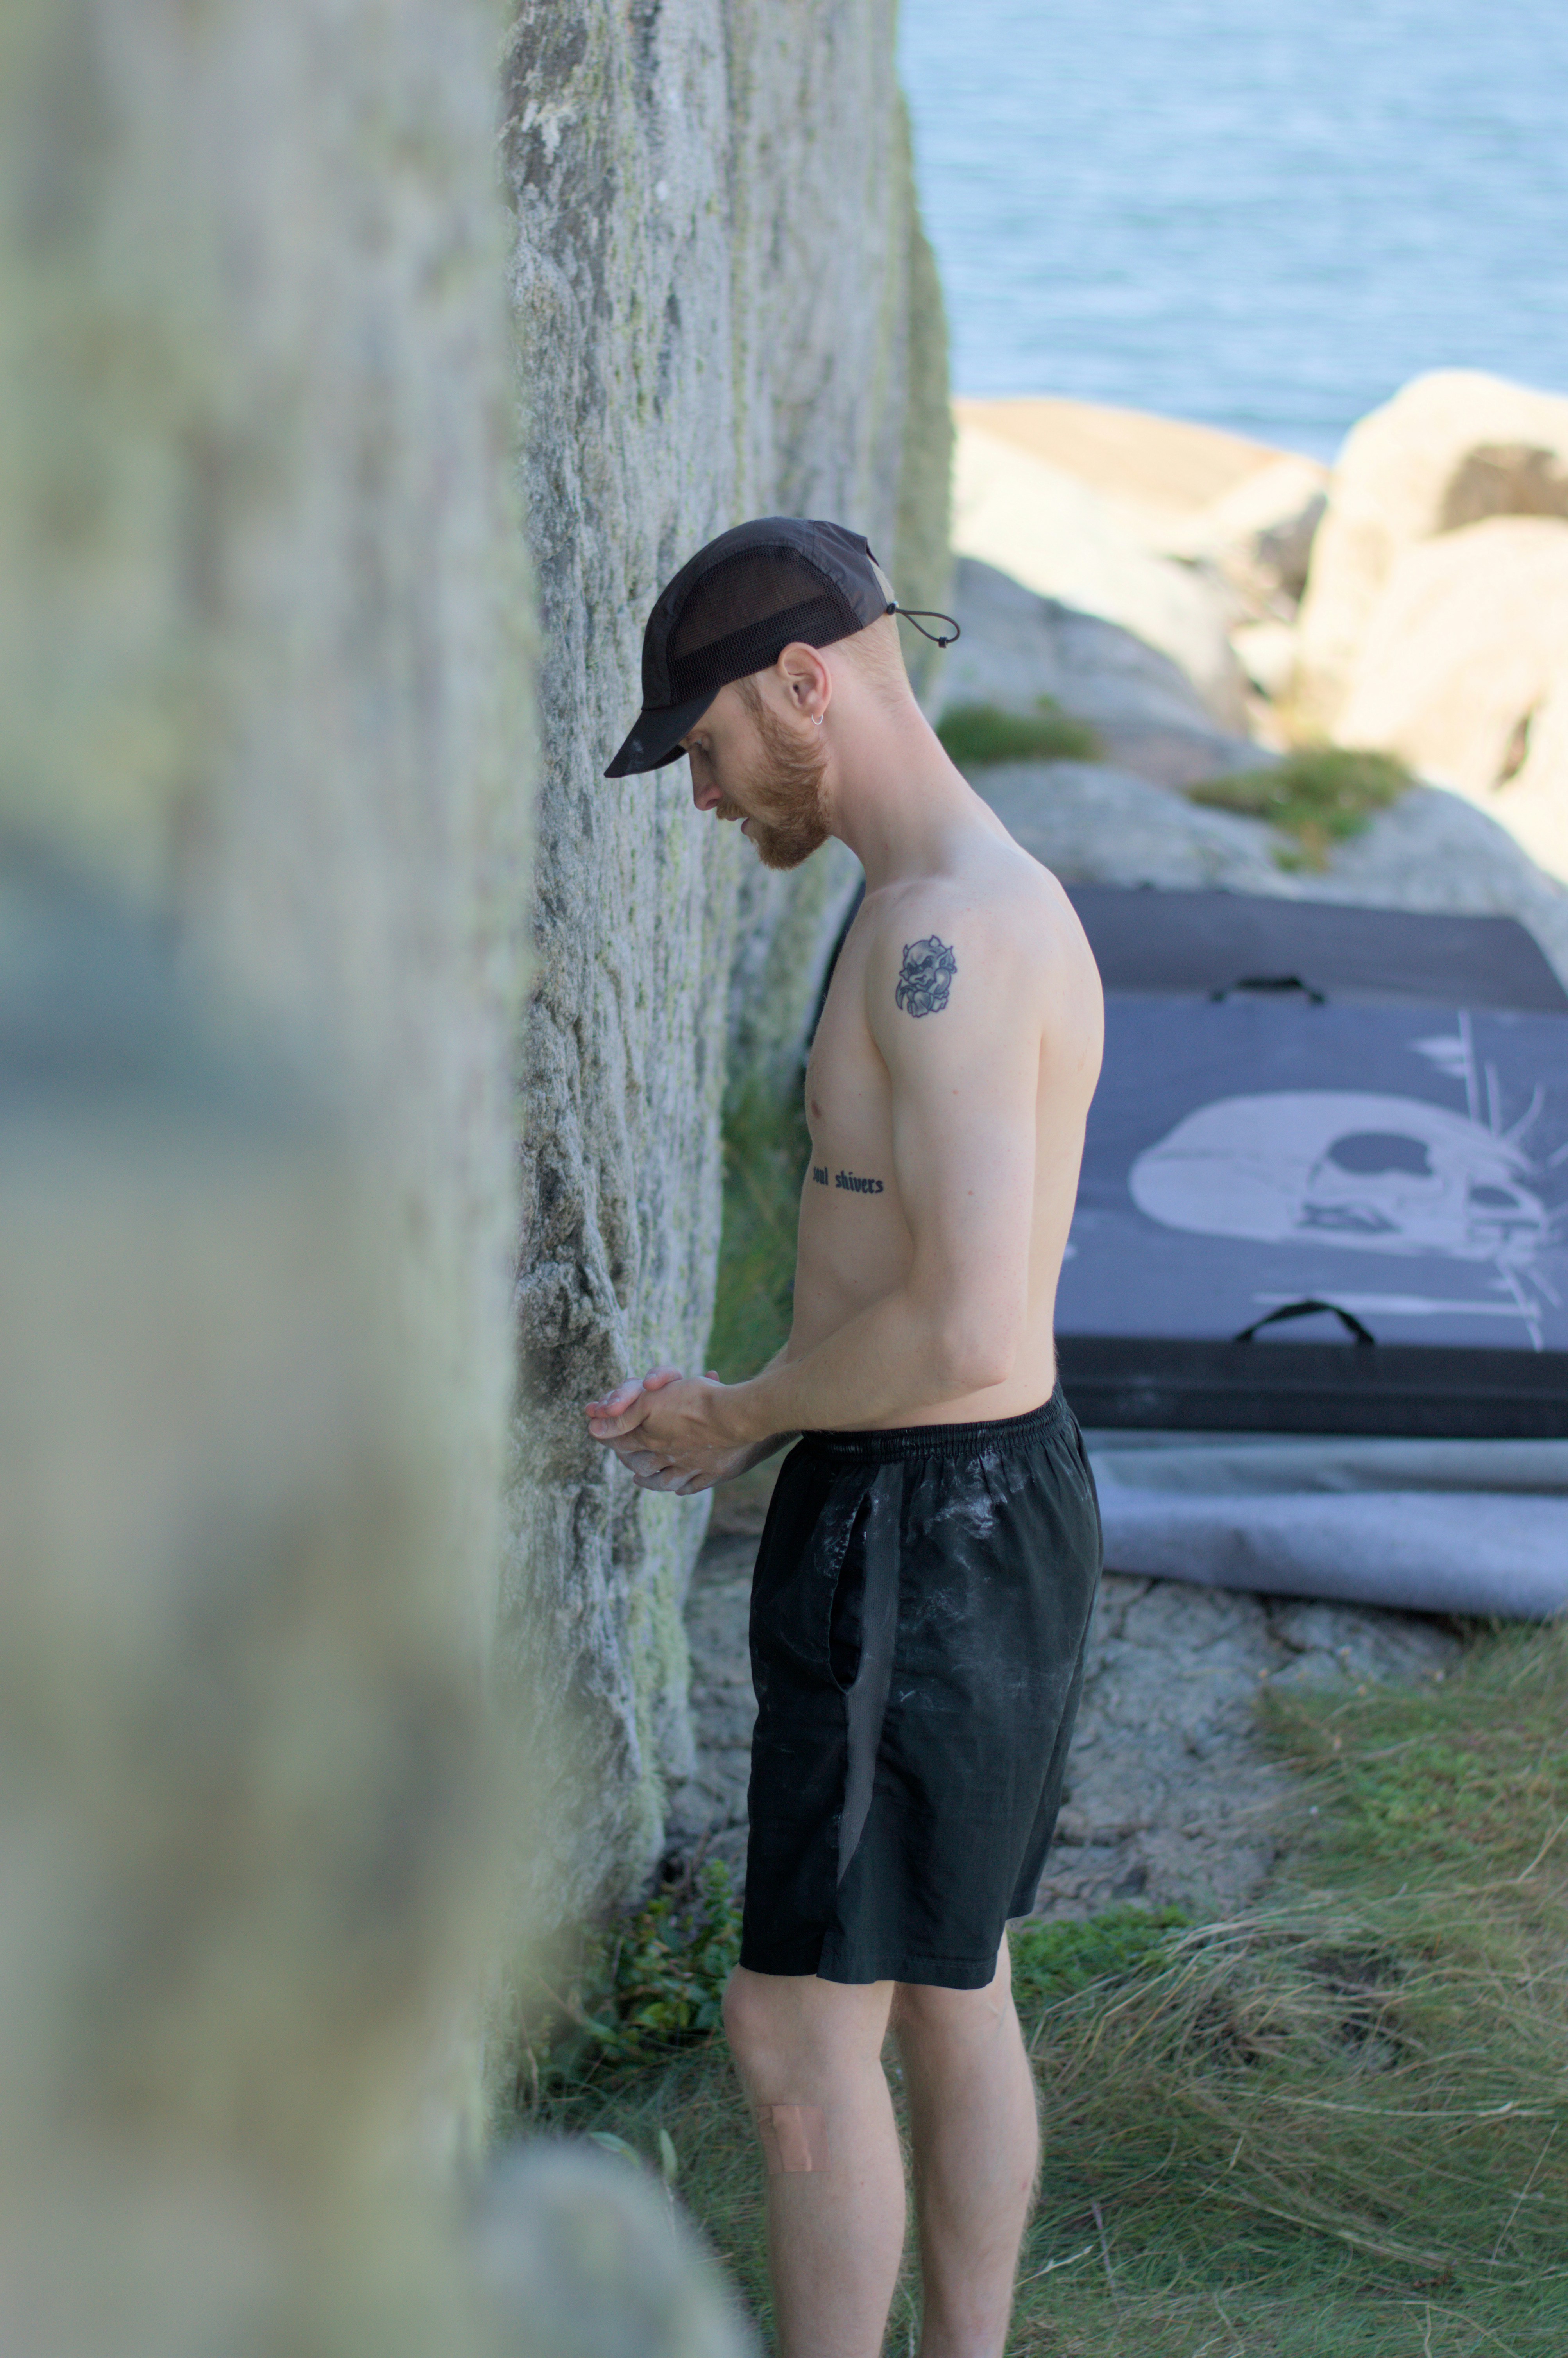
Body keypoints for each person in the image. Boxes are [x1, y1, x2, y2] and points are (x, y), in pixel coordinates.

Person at [586, 518, 1104, 2358]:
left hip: (914, 1539)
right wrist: (760, 1397)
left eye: (706, 743)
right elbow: (943, 1299)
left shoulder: (939, 936)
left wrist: (740, 1414)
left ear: (805, 683)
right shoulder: (988, 894)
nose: (702, 792)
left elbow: (962, 1320)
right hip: (994, 1500)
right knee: (952, 1982)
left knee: (796, 2027)